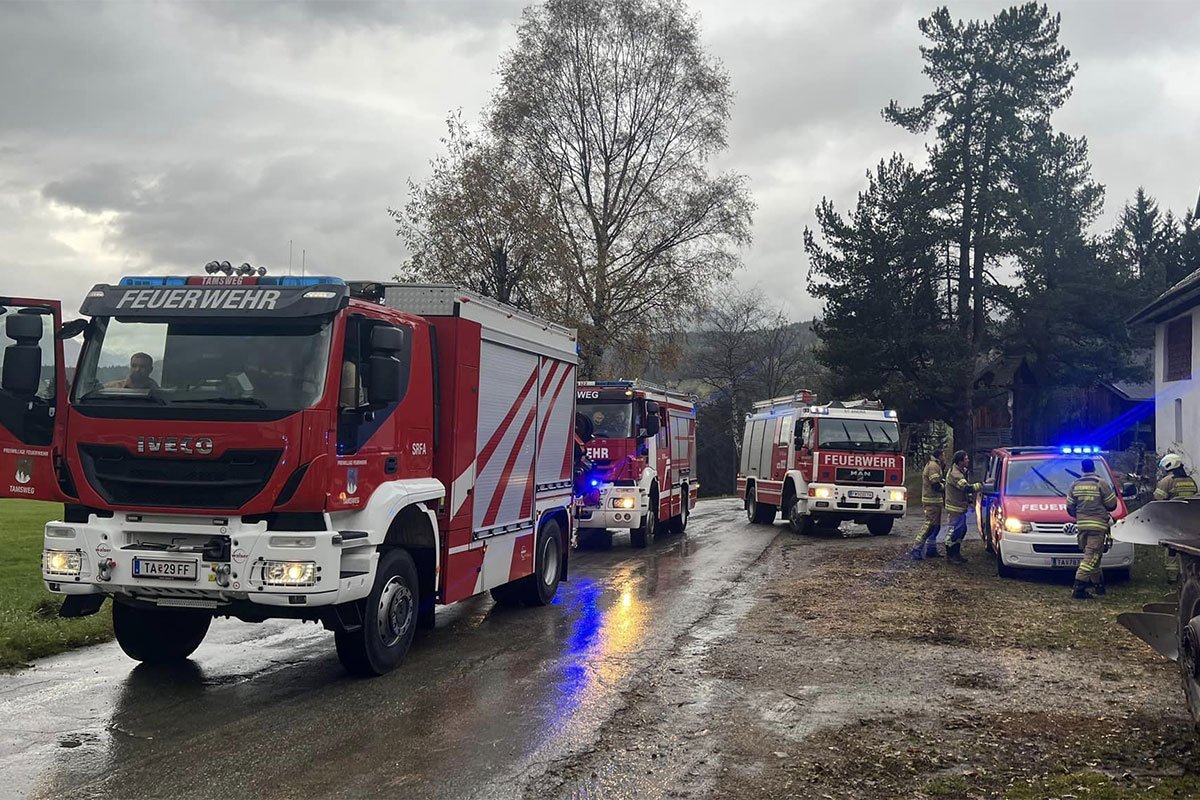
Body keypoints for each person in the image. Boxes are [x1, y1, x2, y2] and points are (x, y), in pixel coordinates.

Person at [1066, 457, 1118, 600]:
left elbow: (1069, 507)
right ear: (1094, 468)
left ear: (1082, 469)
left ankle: (1099, 586)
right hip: (1098, 526)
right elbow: (1112, 505)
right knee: (1091, 558)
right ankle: (1079, 588)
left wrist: (1080, 515)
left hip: (1082, 526)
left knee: (1093, 556)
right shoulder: (1101, 483)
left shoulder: (1075, 484)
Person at [1153, 453, 1197, 583]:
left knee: (1171, 550)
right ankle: (1189, 575)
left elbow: (1157, 500)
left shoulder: (1166, 481)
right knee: (1188, 550)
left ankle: (1173, 578)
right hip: (1190, 521)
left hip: (1173, 521)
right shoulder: (1190, 480)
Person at [942, 449, 981, 564]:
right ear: (960, 461)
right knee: (954, 531)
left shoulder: (962, 471)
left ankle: (956, 553)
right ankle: (950, 555)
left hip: (961, 507)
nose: (968, 460)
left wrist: (969, 501)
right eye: (966, 459)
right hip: (955, 508)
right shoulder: (955, 474)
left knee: (962, 530)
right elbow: (966, 488)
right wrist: (983, 485)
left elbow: (965, 492)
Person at [911, 447, 946, 560]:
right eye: (944, 455)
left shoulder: (936, 466)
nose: (945, 457)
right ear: (940, 455)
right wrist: (946, 488)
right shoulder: (933, 466)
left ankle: (931, 550)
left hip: (936, 501)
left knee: (935, 527)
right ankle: (916, 549)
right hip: (931, 501)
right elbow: (935, 484)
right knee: (929, 526)